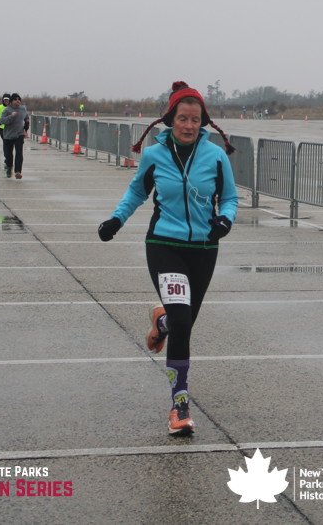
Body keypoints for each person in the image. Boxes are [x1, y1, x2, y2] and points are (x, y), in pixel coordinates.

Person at [98, 81, 238, 436]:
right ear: (170, 120)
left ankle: (162, 322)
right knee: (183, 320)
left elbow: (231, 198)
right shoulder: (154, 155)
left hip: (204, 249)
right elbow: (137, 192)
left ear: (203, 122)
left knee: (183, 322)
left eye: (195, 120)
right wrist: (116, 220)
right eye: (182, 119)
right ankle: (180, 405)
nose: (189, 126)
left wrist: (225, 220)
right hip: (164, 244)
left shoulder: (216, 156)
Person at [0, 93, 30, 179]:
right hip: (8, 135)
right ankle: (9, 168)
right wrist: (10, 116)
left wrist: (26, 126)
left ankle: (18, 171)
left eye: (19, 99)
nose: (17, 101)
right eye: (15, 99)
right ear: (11, 101)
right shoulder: (7, 110)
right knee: (9, 154)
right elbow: (2, 121)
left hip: (19, 134)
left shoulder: (22, 109)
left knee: (19, 153)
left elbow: (26, 117)